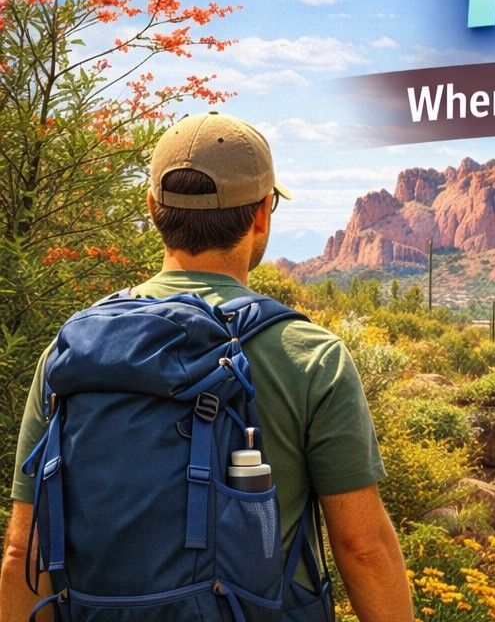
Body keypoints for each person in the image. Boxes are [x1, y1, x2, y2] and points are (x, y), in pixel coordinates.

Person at [0, 112, 413, 621]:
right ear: (262, 214)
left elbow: (24, 556)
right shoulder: (311, 356)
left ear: (152, 210)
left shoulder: (72, 350)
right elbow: (364, 549)